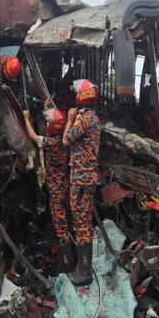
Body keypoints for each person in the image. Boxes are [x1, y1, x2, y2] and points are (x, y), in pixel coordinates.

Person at [23, 107, 72, 272]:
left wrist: (26, 119)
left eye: (49, 122)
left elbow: (33, 136)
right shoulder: (64, 139)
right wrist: (46, 108)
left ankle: (66, 262)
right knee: (66, 219)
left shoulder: (51, 142)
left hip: (56, 189)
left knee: (60, 225)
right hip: (65, 185)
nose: (46, 123)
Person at [62, 79, 101, 287]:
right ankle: (83, 267)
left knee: (81, 224)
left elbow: (66, 140)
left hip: (81, 178)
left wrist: (69, 119)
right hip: (88, 177)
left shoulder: (83, 119)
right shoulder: (94, 119)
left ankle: (84, 271)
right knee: (84, 221)